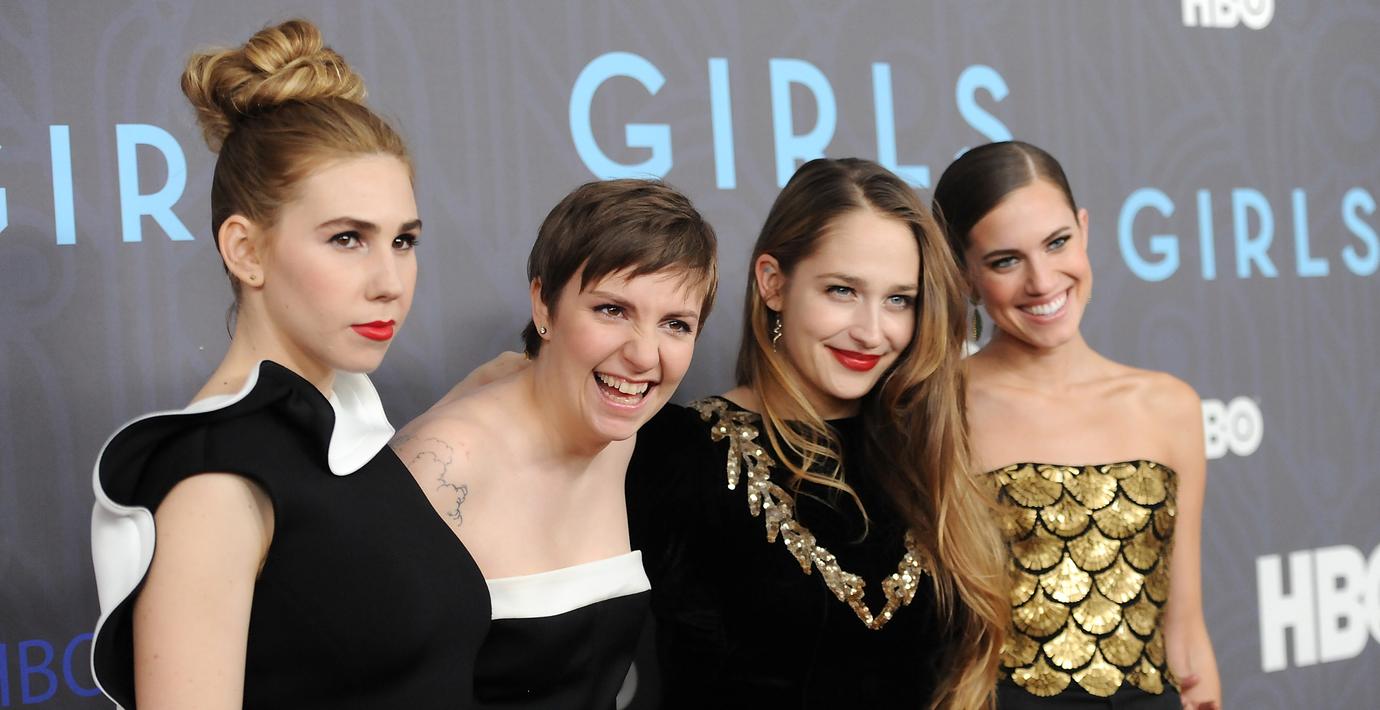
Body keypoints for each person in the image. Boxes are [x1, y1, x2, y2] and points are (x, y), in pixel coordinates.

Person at [88, 20, 490, 709]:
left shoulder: (345, 434)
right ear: (245, 250)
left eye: (403, 240)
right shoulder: (217, 481)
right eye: (347, 239)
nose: (390, 282)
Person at [624, 158, 1009, 709]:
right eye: (842, 290)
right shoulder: (679, 452)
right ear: (773, 283)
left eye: (898, 299)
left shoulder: (924, 443)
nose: (871, 332)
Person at [391, 178, 718, 709]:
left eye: (675, 324)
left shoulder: (620, 437)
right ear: (544, 304)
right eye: (612, 310)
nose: (644, 355)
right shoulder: (443, 465)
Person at [932, 141, 1221, 709]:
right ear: (963, 273)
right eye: (1005, 261)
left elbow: (1186, 634)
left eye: (1057, 242)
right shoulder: (935, 410)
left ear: (1084, 230)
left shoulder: (1170, 406)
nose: (1042, 281)